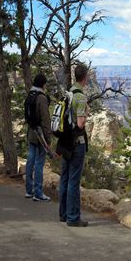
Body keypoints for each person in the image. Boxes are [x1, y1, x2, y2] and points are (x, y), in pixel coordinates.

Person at [58, 64, 89, 227]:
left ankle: (63, 214)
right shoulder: (80, 97)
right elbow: (80, 123)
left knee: (64, 177)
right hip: (76, 143)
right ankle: (73, 217)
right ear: (85, 77)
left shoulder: (69, 92)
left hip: (65, 142)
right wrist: (86, 113)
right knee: (73, 181)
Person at [25, 74, 52, 202]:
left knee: (30, 160)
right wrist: (48, 138)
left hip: (31, 132)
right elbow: (46, 119)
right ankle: (39, 193)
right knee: (39, 163)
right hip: (40, 135)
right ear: (43, 84)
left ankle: (29, 190)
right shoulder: (41, 98)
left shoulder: (30, 95)